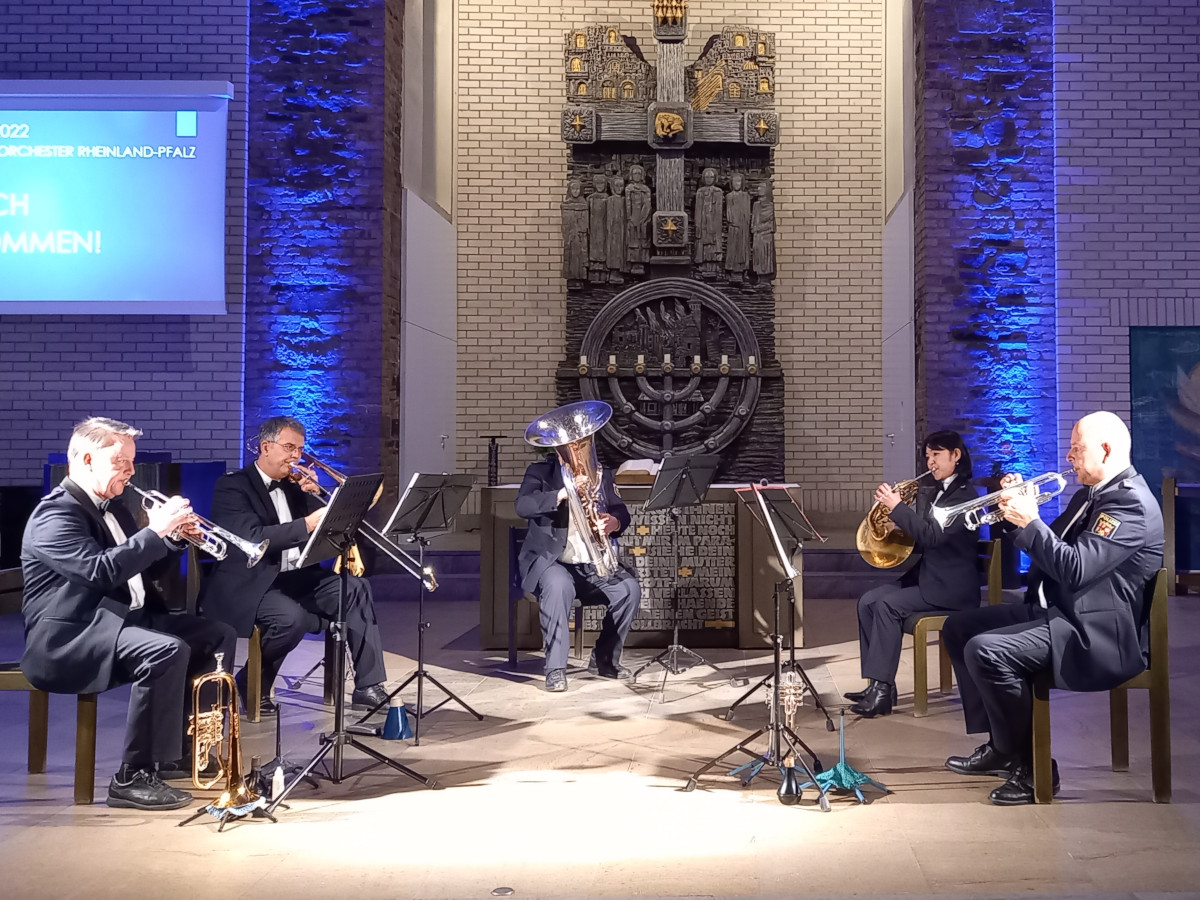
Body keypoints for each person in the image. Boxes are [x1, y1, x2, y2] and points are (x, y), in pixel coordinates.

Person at [941, 411, 1164, 805]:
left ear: (1106, 450)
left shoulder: (1130, 506)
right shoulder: (1089, 495)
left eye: (1077, 448)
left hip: (1097, 635)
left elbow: (1074, 569)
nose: (1068, 457)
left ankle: (1034, 766)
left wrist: (1032, 521)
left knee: (987, 650)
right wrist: (1013, 513)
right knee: (959, 629)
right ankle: (1002, 746)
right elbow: (1050, 552)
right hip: (1062, 612)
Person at [20, 417, 236, 810]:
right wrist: (153, 533)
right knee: (164, 651)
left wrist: (173, 540)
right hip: (72, 636)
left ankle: (182, 752)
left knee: (215, 635)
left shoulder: (115, 509)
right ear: (87, 459)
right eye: (122, 462)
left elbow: (138, 571)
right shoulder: (54, 515)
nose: (132, 471)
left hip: (119, 621)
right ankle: (132, 776)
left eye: (132, 462)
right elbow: (99, 572)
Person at [199, 416, 391, 714]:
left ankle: (368, 685)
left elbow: (332, 526)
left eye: (300, 450)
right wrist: (305, 523)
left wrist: (314, 494)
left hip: (295, 576)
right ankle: (253, 683)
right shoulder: (233, 486)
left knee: (355, 588)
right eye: (289, 447)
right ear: (266, 447)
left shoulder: (294, 486)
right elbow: (253, 539)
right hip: (251, 582)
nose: (296, 457)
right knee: (291, 620)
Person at [845, 430, 980, 717]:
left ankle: (881, 691)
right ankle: (879, 685)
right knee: (868, 601)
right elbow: (924, 539)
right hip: (930, 577)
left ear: (956, 455)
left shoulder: (966, 496)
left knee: (887, 606)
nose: (931, 462)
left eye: (937, 455)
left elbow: (932, 537)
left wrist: (897, 509)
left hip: (951, 588)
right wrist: (892, 532)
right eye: (928, 456)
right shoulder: (937, 491)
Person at [515, 450, 641, 692]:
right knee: (557, 585)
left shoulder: (601, 476)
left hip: (591, 564)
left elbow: (621, 512)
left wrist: (613, 522)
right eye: (570, 446)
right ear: (559, 451)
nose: (577, 451)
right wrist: (563, 493)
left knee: (629, 590)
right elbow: (522, 505)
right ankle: (555, 669)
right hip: (554, 562)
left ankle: (604, 660)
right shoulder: (540, 472)